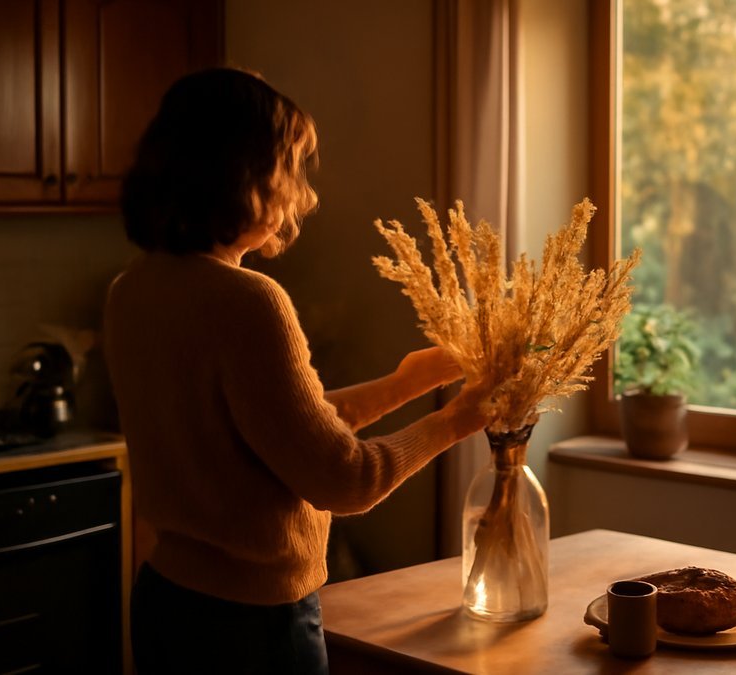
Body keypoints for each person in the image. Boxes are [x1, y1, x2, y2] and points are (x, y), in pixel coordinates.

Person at [104, 67, 488, 675]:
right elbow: (343, 479)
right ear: (243, 175)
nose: (302, 196)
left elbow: (275, 427)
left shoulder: (132, 289)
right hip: (252, 630)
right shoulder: (251, 301)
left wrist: (408, 381)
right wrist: (456, 422)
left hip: (168, 604)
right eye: (291, 171)